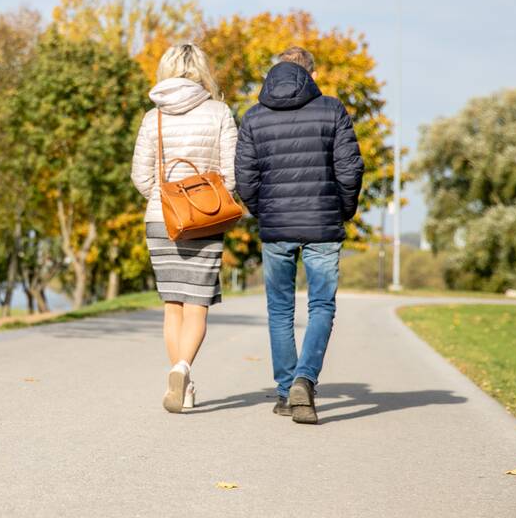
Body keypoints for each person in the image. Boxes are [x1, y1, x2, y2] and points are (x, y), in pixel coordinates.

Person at [235, 46, 364, 425]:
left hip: (276, 228)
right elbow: (350, 169)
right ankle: (304, 381)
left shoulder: (254, 117)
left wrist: (264, 212)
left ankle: (284, 390)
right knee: (321, 306)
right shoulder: (332, 109)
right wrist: (342, 209)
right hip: (323, 224)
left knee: (280, 310)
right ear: (310, 73)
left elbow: (245, 178)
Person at [131, 43, 237, 413]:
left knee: (172, 304)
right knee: (197, 306)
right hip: (205, 219)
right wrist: (202, 201)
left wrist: (167, 200)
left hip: (162, 219)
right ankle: (183, 368)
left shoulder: (153, 117)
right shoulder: (220, 112)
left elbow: (140, 176)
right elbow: (232, 174)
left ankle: (181, 382)